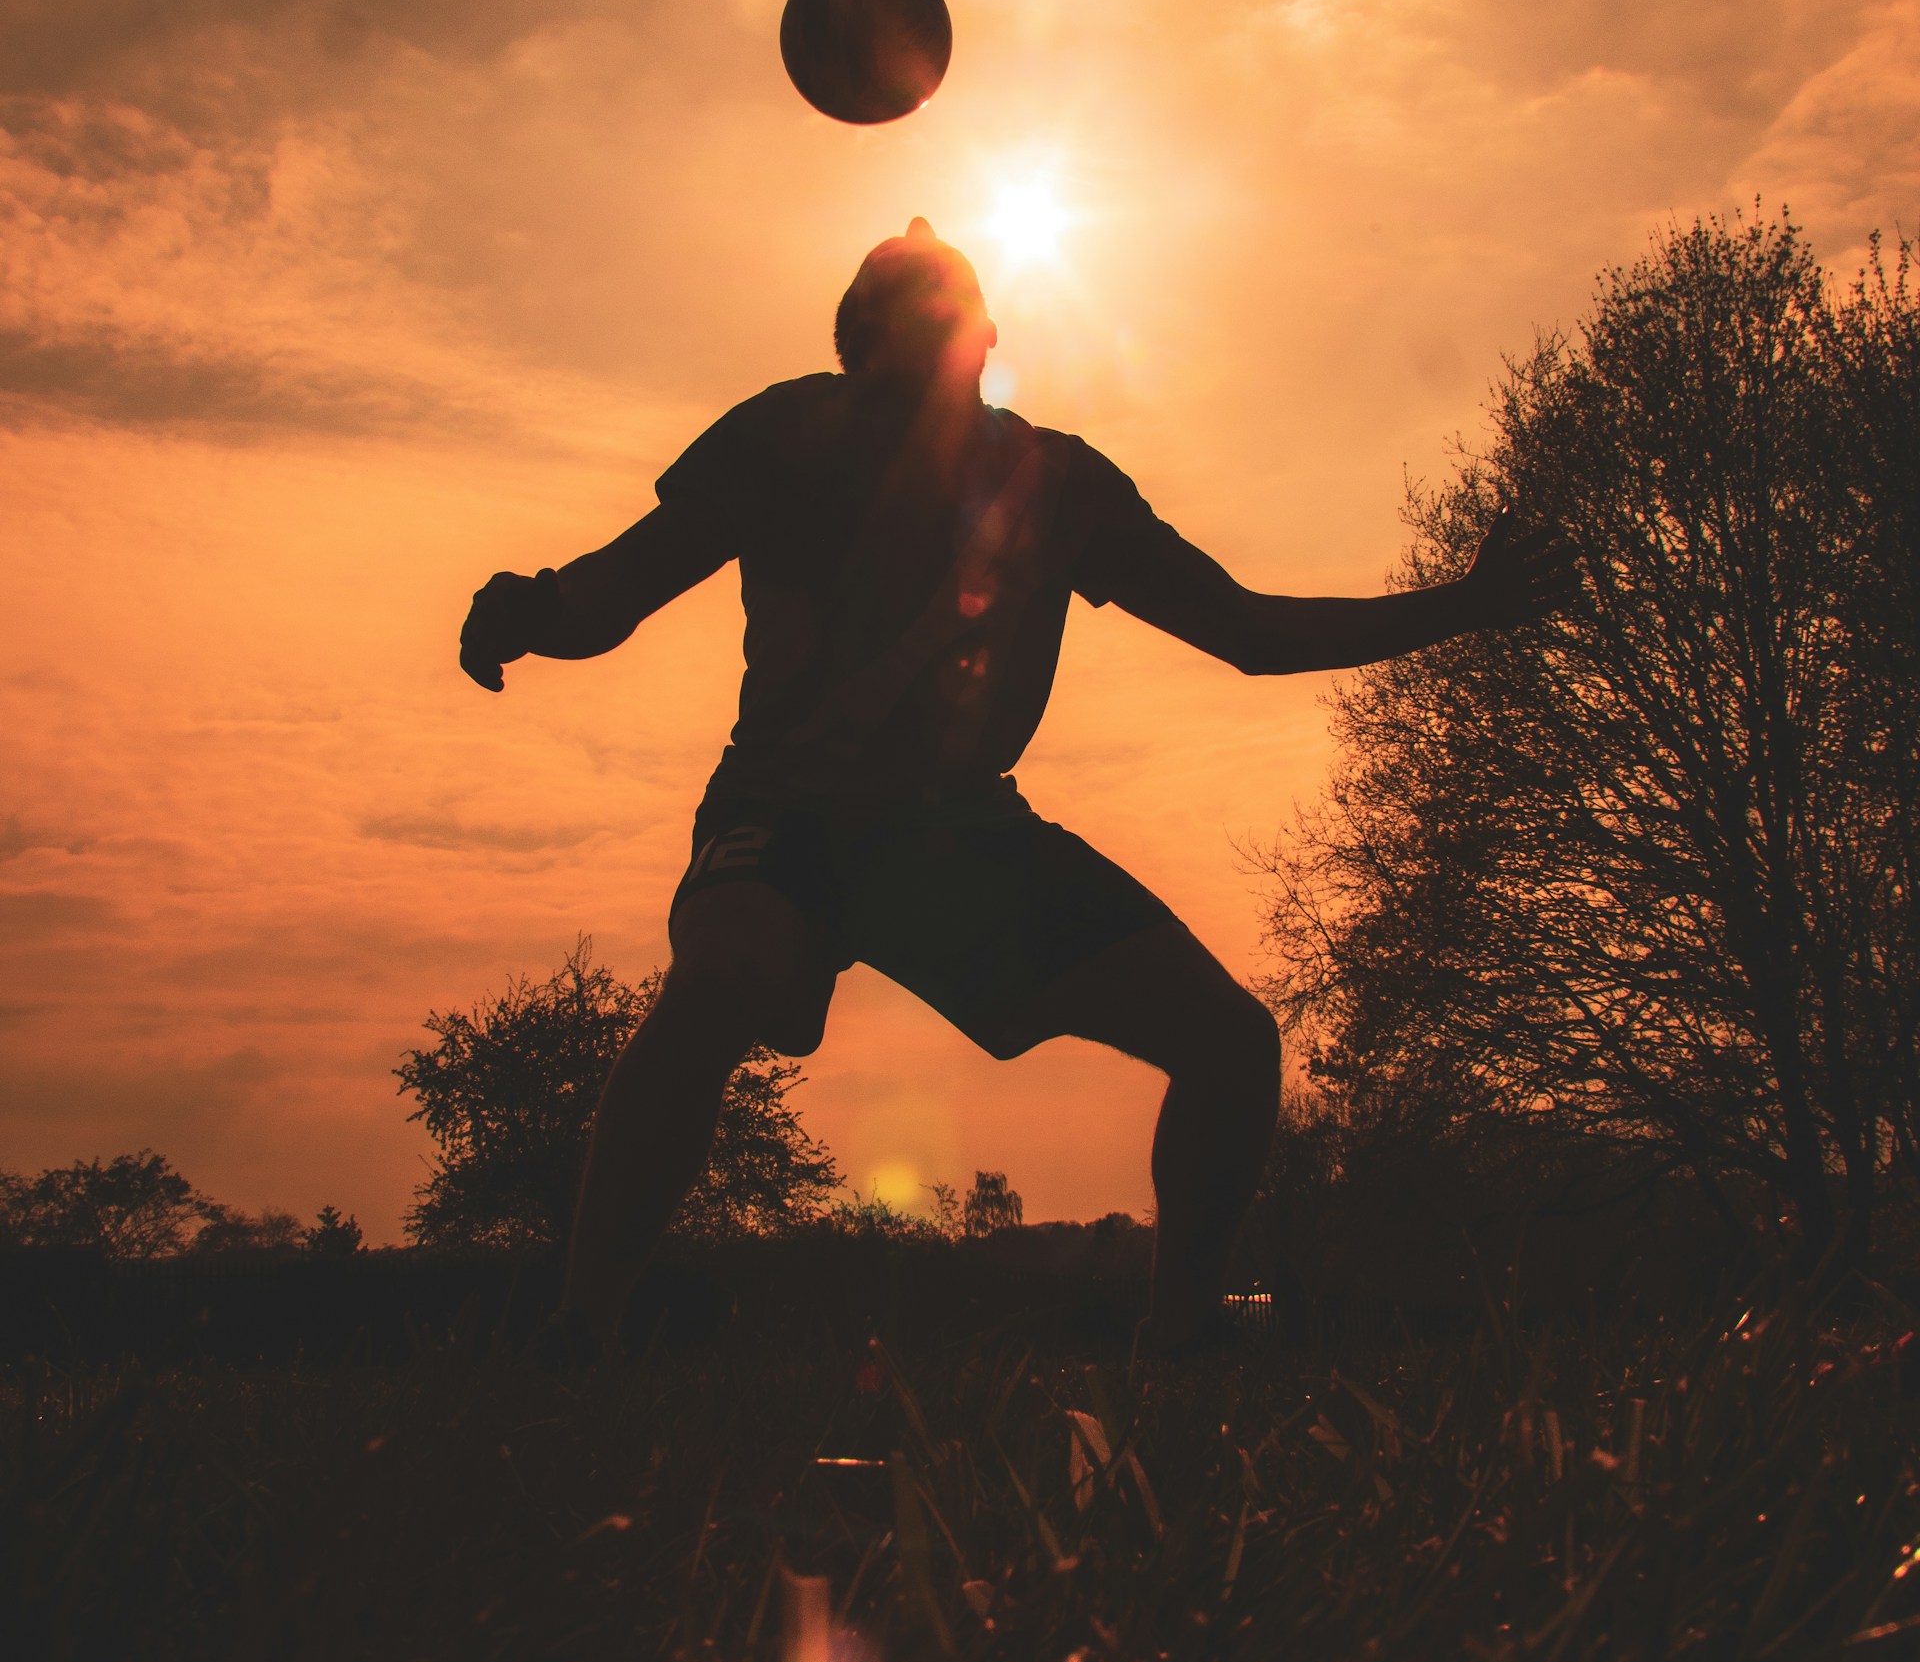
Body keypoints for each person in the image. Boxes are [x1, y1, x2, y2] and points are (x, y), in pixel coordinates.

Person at [460, 220, 1575, 1353]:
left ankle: (1179, 1354)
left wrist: (1456, 607)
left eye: (941, 311)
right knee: (724, 975)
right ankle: (581, 1338)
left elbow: (1245, 631)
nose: (923, 333)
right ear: (857, 342)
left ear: (985, 337)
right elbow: (618, 589)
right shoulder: (781, 437)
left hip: (955, 835)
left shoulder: (1055, 487)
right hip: (784, 811)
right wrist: (535, 610)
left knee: (1232, 1045)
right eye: (898, 314)